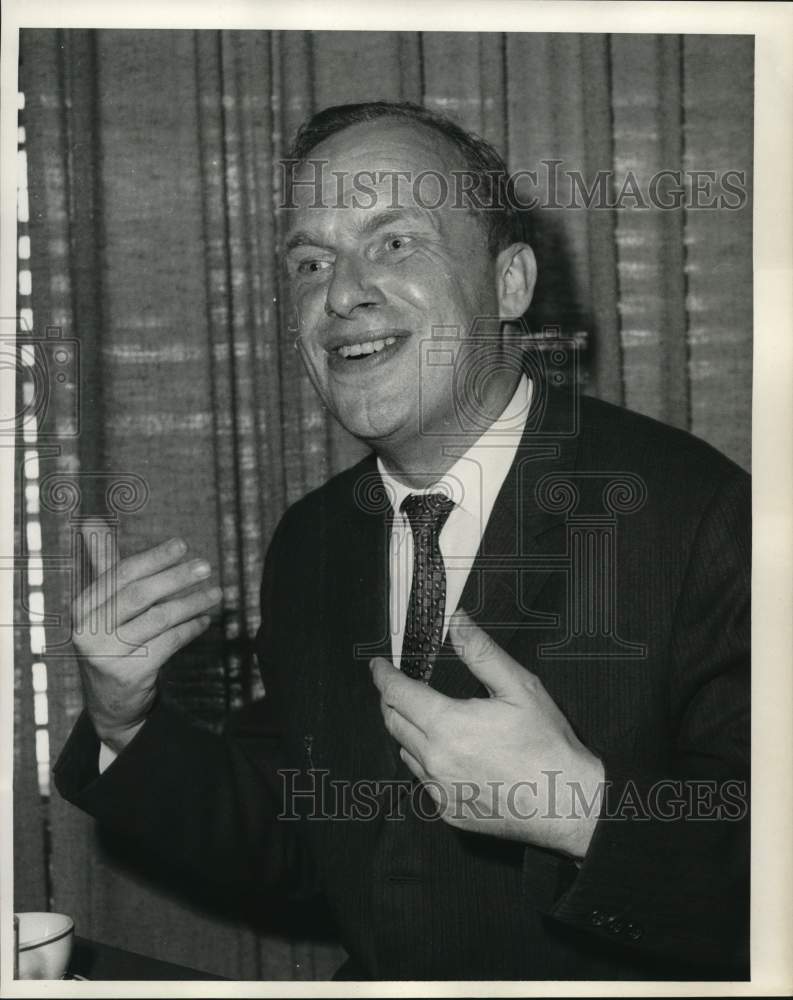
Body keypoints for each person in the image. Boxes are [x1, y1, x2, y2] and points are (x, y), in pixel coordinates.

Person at [54, 101, 750, 981]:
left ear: (509, 285)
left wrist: (580, 812)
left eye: (394, 242)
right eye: (311, 261)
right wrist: (127, 722)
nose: (342, 292)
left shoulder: (701, 516)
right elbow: (312, 841)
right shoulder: (311, 543)